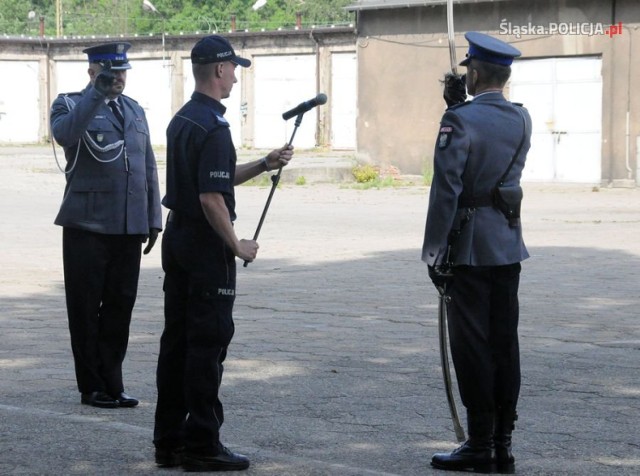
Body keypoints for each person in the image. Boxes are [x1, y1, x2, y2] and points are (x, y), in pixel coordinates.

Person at [153, 34, 294, 472]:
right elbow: (212, 197)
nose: (235, 76)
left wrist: (264, 163)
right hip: (204, 247)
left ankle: (170, 441)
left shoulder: (184, 119)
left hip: (179, 240)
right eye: (233, 68)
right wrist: (237, 245)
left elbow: (213, 178)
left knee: (176, 342)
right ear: (218, 70)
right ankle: (203, 444)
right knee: (207, 345)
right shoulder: (214, 127)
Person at [422, 32, 532, 474]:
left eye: (469, 69)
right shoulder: (522, 119)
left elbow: (446, 190)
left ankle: (479, 444)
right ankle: (503, 443)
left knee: (472, 348)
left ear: (478, 72)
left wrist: (435, 251)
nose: (465, 75)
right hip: (507, 244)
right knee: (505, 345)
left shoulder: (459, 121)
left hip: (467, 248)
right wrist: (455, 109)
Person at [50, 42, 162, 409]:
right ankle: (91, 386)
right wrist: (96, 93)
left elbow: (148, 167)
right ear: (93, 72)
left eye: (123, 71)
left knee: (120, 308)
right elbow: (66, 134)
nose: (119, 79)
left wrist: (152, 218)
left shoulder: (134, 111)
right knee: (84, 309)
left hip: (129, 226)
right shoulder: (69, 104)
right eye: (111, 72)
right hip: (87, 224)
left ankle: (113, 381)